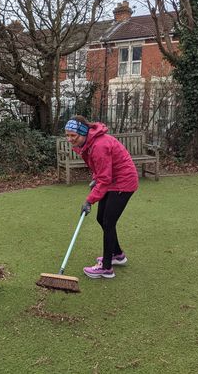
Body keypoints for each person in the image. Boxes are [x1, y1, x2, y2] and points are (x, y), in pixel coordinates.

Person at [65, 115, 138, 279]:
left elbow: (105, 178)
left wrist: (89, 200)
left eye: (73, 136)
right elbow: (100, 169)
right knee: (101, 218)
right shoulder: (87, 143)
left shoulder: (98, 145)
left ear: (83, 133)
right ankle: (117, 255)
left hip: (123, 182)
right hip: (112, 179)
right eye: (67, 135)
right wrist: (95, 178)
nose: (69, 139)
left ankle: (106, 268)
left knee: (108, 222)